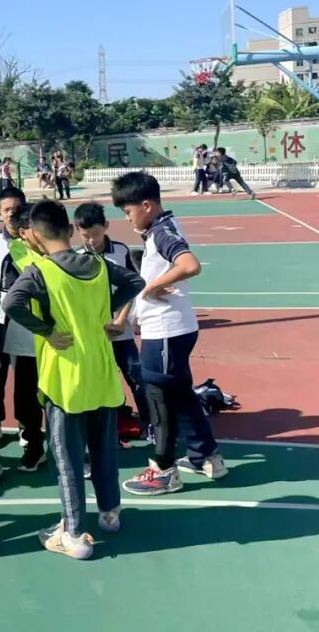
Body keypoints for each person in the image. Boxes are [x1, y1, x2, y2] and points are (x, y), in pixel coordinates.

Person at [3, 200, 144, 559]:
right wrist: (110, 313)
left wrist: (46, 330)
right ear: (69, 230)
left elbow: (11, 304)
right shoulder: (98, 263)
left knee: (66, 457)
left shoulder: (40, 271)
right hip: (101, 372)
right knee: (104, 448)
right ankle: (110, 513)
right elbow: (135, 281)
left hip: (64, 379)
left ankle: (75, 533)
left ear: (35, 237)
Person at [110, 171, 228, 495]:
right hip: (174, 329)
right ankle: (206, 457)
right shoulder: (161, 229)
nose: (127, 218)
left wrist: (152, 287)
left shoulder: (162, 232)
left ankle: (163, 470)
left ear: (146, 206)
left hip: (165, 332)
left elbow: (189, 265)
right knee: (181, 394)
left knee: (159, 398)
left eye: (128, 211)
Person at [0, 188, 47, 473]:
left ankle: (32, 439)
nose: (12, 213)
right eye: (7, 209)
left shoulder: (38, 242)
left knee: (27, 386)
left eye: (17, 208)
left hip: (28, 324)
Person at [73, 202, 150, 433]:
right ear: (77, 230)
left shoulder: (121, 251)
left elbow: (132, 288)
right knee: (100, 380)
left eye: (96, 234)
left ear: (106, 226)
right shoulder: (76, 258)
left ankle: (150, 422)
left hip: (120, 331)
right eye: (86, 236)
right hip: (93, 335)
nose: (92, 240)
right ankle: (112, 423)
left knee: (136, 376)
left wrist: (121, 320)